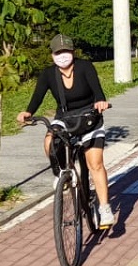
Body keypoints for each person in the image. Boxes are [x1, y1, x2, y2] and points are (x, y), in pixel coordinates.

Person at [17, 34, 114, 229]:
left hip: (89, 117)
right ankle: (62, 174)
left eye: (66, 51)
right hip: (65, 118)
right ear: (52, 55)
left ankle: (104, 208)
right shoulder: (48, 74)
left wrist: (101, 102)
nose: (62, 56)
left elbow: (98, 90)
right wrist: (28, 112)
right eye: (58, 52)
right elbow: (37, 97)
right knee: (49, 141)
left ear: (73, 52)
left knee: (95, 163)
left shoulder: (85, 67)